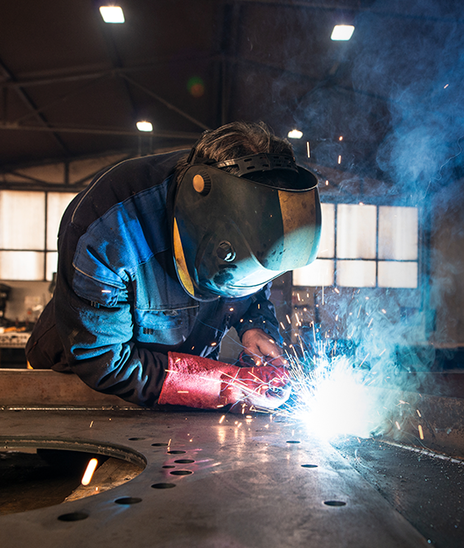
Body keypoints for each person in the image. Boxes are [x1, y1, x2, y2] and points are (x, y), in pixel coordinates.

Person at [26, 121, 321, 411]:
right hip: (78, 391)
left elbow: (250, 291)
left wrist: (255, 326)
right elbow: (103, 360)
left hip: (186, 393)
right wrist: (225, 383)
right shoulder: (107, 228)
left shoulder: (251, 229)